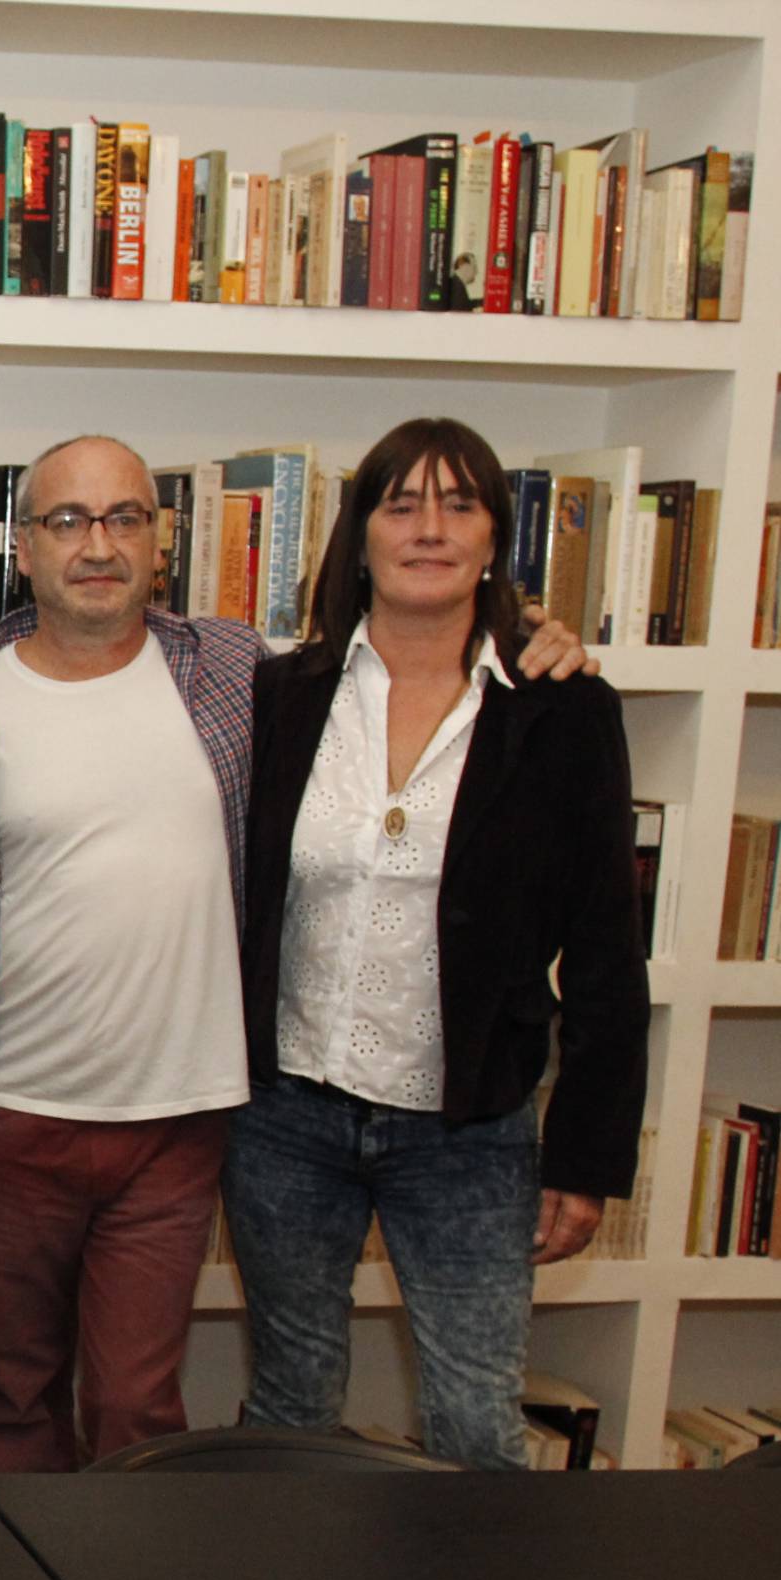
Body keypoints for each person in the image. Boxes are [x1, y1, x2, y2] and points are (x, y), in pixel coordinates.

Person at [0, 434, 593, 1471]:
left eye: (125, 518)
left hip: (182, 1119)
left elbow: (430, 640)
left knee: (139, 1407)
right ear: (23, 546)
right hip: (13, 1114)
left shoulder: (238, 673)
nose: (97, 545)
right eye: (67, 520)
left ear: (164, 539)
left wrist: (531, 632)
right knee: (14, 1396)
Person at [228, 418, 646, 1468]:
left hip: (468, 1131)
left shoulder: (564, 710)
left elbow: (605, 951)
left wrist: (588, 1157)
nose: (429, 528)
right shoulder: (287, 693)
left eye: (459, 504)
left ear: (497, 537)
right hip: (287, 1119)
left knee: (474, 1421)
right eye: (400, 503)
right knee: (290, 1401)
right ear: (358, 533)